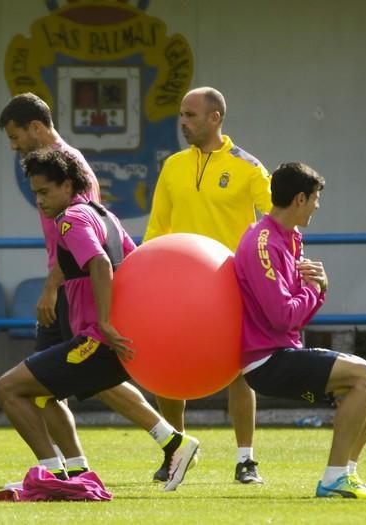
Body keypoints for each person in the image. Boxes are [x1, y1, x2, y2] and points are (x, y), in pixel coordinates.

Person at [0, 149, 199, 493]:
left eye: (44, 192)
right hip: (107, 338)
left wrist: (104, 323)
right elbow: (135, 267)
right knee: (43, 392)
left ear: (68, 185)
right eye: (35, 194)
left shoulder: (70, 220)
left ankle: (51, 476)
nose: (40, 202)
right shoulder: (104, 215)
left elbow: (101, 264)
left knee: (8, 388)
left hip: (96, 341)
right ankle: (76, 472)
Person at [0, 93, 163, 472]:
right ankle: (75, 468)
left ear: (35, 127)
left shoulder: (70, 173)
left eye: (14, 136)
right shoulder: (54, 167)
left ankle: (66, 469)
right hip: (75, 288)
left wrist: (52, 286)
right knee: (51, 383)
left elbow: (87, 245)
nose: (13, 146)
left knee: (38, 383)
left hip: (75, 292)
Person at [233, 162, 366, 499]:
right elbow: (282, 317)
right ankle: (334, 479)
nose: (318, 206)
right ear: (300, 199)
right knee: (365, 377)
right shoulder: (263, 242)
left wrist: (317, 289)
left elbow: (295, 317)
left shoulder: (290, 238)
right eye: (316, 198)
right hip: (266, 361)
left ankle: (347, 474)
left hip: (284, 351)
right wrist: (317, 290)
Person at [144, 86, 271, 484]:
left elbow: (274, 223)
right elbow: (156, 227)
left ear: (215, 118)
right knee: (167, 368)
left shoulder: (249, 167)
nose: (183, 122)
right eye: (181, 115)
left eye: (190, 115)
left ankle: (246, 460)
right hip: (176, 288)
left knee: (238, 373)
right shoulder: (172, 166)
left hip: (231, 286)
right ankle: (175, 451)